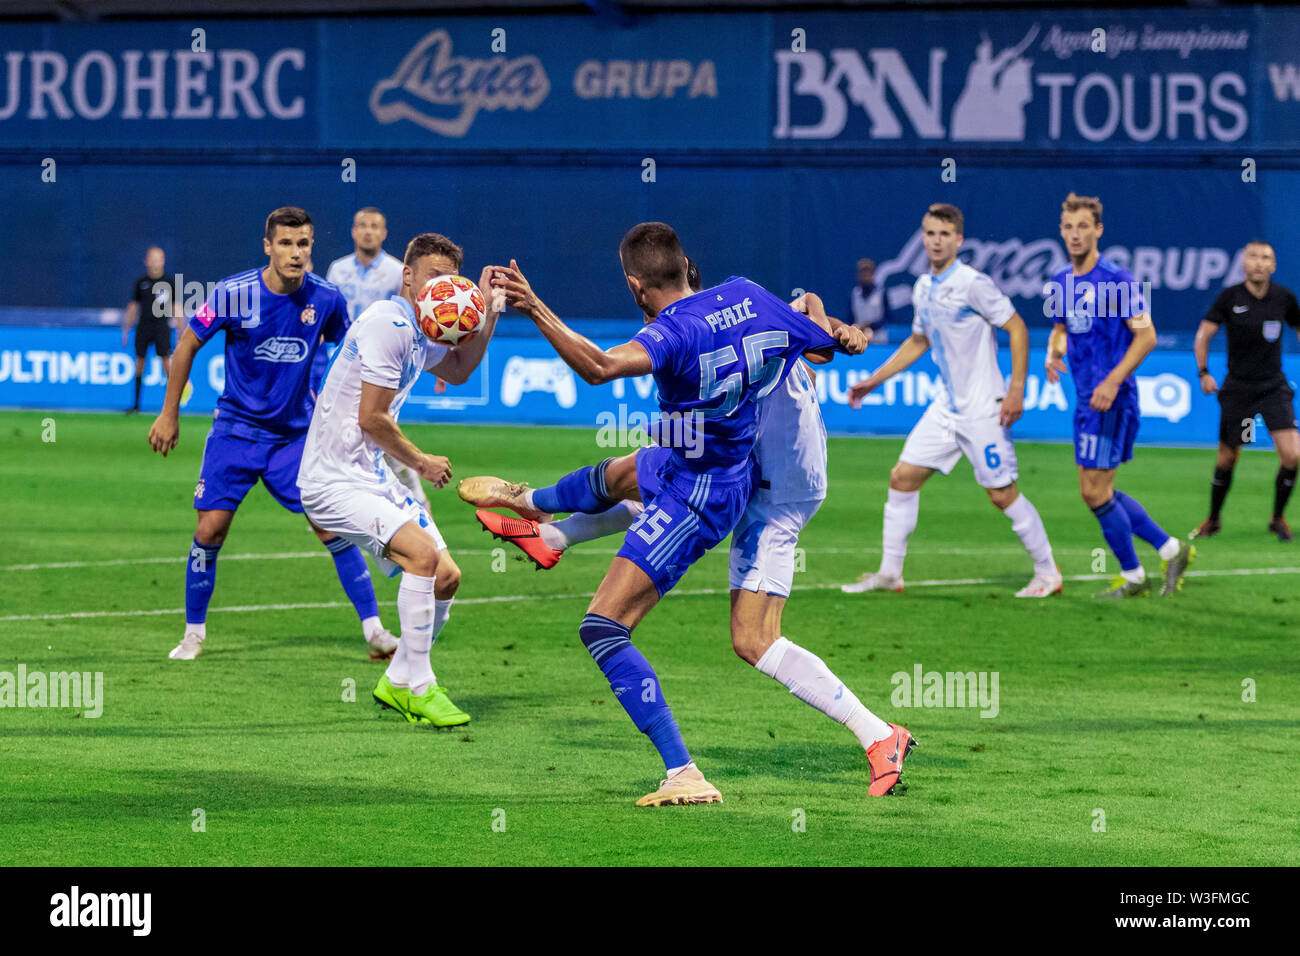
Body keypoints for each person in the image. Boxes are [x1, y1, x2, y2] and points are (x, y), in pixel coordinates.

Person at [460, 223, 893, 806]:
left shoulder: (671, 334)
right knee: (622, 471)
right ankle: (539, 518)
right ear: (687, 264)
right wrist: (844, 331)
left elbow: (599, 367)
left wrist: (535, 305)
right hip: (716, 455)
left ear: (636, 285)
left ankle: (684, 772)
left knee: (605, 627)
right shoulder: (744, 293)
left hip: (704, 492)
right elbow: (815, 326)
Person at [147, 206, 398, 661]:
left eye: (303, 244)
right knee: (211, 528)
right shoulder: (233, 293)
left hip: (297, 437)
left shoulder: (327, 299)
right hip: (237, 431)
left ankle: (376, 631)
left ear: (312, 246)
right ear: (268, 246)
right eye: (285, 243)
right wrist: (170, 413)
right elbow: (186, 345)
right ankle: (194, 634)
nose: (295, 253)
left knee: (328, 525)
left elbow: (348, 353)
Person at [299, 233, 500, 726]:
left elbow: (457, 370)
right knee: (424, 556)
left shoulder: (417, 328)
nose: (442, 288)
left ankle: (397, 680)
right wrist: (423, 461)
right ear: (407, 276)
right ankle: (421, 686)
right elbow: (372, 418)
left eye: (451, 280)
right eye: (433, 276)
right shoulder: (388, 323)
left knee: (447, 577)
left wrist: (489, 313)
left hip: (368, 473)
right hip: (332, 481)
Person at [843, 204, 1061, 597]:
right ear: (923, 238)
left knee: (1001, 494)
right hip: (946, 407)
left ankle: (1048, 573)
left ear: (958, 240)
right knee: (902, 478)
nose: (936, 241)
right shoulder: (923, 287)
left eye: (944, 234)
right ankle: (891, 573)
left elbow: (1017, 328)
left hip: (983, 408)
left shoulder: (973, 283)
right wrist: (872, 382)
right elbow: (918, 341)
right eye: (929, 234)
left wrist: (1014, 390)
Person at [1045, 192, 1193, 598]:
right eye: (1069, 227)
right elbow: (1061, 328)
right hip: (1085, 399)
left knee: (1095, 492)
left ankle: (1135, 575)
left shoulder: (1118, 281)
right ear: (1061, 231)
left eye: (1083, 227)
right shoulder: (1060, 281)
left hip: (1113, 399)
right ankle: (1170, 550)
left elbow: (1147, 336)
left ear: (1098, 231)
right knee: (1094, 491)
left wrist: (1111, 381)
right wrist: (1052, 354)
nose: (1075, 235)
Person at [1192, 241, 1300, 542]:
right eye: (1253, 257)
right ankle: (1213, 519)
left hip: (1273, 389)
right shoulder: (1230, 298)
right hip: (1239, 390)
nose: (1259, 262)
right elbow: (1203, 335)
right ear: (1243, 263)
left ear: (1274, 265)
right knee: (1229, 458)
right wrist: (1203, 372)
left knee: (1292, 456)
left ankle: (1277, 519)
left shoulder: (1284, 298)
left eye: (1266, 257)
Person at [123, 246, 182, 414]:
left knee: (166, 365)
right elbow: (133, 307)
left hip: (161, 327)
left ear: (163, 261)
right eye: (152, 258)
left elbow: (176, 307)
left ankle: (172, 406)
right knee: (139, 364)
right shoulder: (141, 283)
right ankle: (135, 406)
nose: (155, 262)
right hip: (143, 327)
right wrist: (126, 329)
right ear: (146, 261)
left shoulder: (169, 283)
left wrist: (180, 331)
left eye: (159, 258)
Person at [850, 258, 891, 344]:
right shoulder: (855, 293)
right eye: (863, 273)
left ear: (873, 274)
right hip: (858, 338)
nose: (865, 275)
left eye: (868, 272)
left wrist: (870, 326)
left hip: (879, 339)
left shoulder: (881, 293)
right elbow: (850, 317)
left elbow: (888, 318)